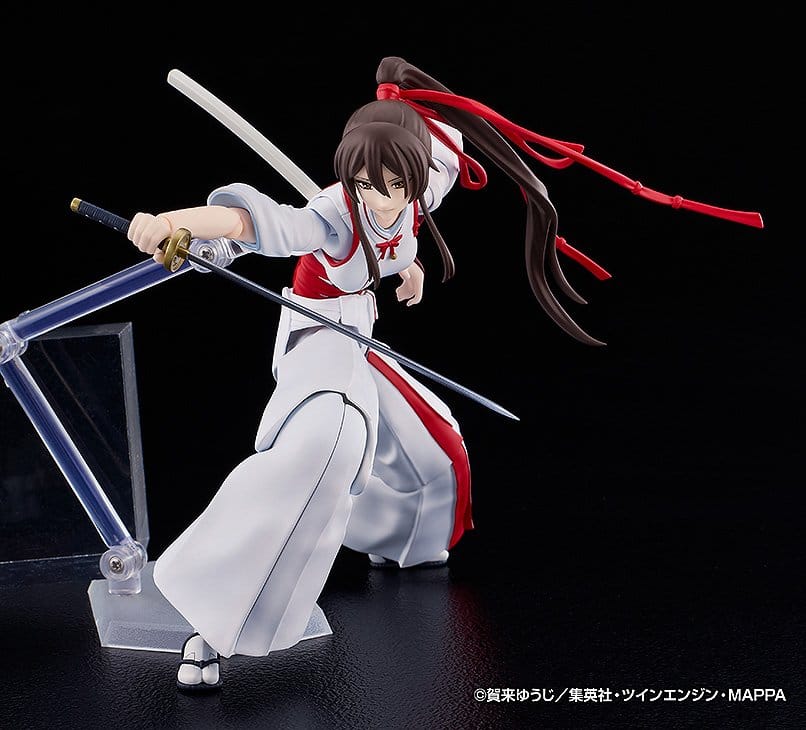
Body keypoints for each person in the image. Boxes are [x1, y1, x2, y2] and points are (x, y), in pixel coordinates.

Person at [126, 56, 762, 691]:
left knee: (436, 447)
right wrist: (174, 224)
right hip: (317, 341)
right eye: (365, 184)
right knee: (327, 448)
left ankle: (403, 541)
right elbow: (252, 224)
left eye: (393, 185)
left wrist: (409, 268)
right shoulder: (330, 217)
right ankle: (210, 625)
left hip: (361, 336)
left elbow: (424, 182)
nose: (379, 197)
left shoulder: (419, 190)